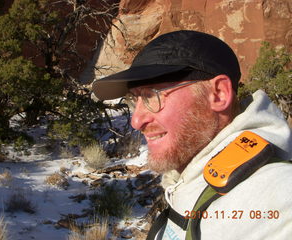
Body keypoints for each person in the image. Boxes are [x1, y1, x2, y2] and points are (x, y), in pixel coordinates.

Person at [92, 30, 292, 240]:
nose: (136, 121)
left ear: (218, 94)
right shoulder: (188, 179)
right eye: (135, 99)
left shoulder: (279, 197)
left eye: (152, 95)